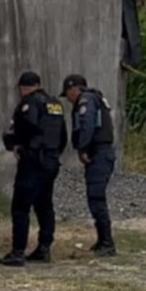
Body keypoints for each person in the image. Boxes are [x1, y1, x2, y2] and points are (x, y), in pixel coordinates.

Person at [0, 71, 68, 266]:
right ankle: (44, 248)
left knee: (20, 207)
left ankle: (18, 251)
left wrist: (17, 145)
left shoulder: (29, 103)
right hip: (51, 161)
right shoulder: (55, 104)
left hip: (33, 161)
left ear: (21, 88)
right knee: (44, 206)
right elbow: (63, 135)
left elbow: (25, 128)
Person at [60, 73, 117, 256]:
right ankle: (103, 240)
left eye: (67, 93)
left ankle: (107, 243)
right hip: (102, 153)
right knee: (95, 197)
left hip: (98, 153)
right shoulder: (95, 98)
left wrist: (82, 148)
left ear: (73, 88)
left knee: (96, 197)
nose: (68, 99)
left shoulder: (86, 100)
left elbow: (87, 124)